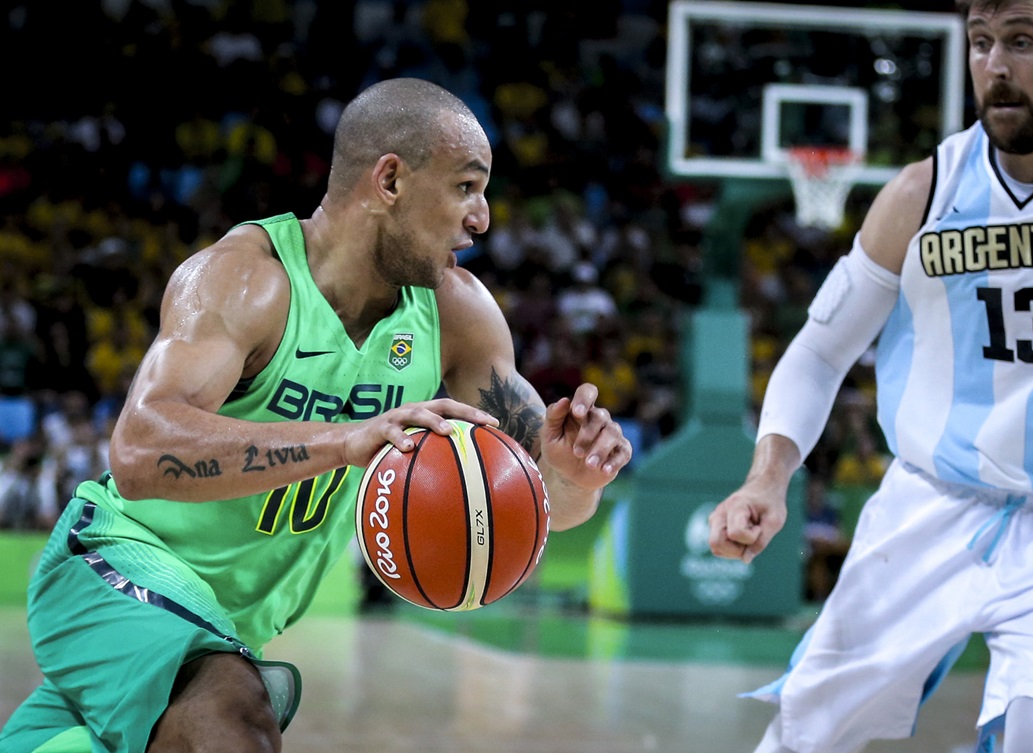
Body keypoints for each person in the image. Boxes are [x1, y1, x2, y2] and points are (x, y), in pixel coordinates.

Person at [0, 77, 632, 753]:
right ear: (390, 179)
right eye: (465, 188)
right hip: (113, 562)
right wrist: (340, 440)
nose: (482, 218)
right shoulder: (248, 279)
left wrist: (575, 475)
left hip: (223, 623)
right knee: (234, 716)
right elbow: (137, 454)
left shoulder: (458, 315)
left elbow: (544, 507)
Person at [708, 2, 1033, 752]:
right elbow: (819, 352)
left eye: (1022, 42)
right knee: (803, 737)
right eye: (981, 43)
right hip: (929, 505)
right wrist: (766, 477)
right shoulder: (920, 193)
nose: (995, 66)